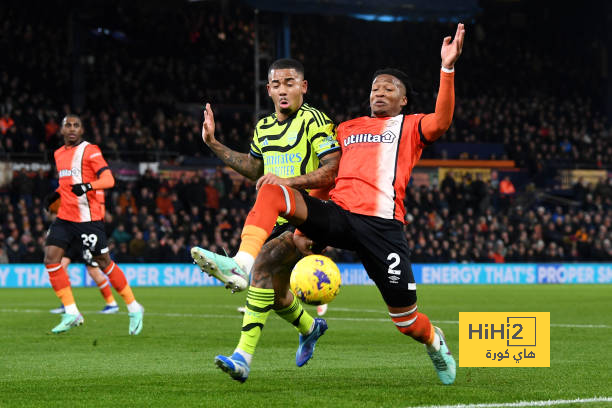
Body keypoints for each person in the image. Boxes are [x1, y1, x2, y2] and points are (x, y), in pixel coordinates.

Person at [195, 23, 465, 385]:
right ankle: (239, 265)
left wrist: (447, 68)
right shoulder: (348, 128)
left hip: (382, 229)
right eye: (375, 87)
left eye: (390, 88)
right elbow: (328, 173)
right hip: (338, 215)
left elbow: (443, 120)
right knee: (271, 191)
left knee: (406, 321)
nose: (380, 92)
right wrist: (307, 222)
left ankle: (435, 342)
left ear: (403, 100)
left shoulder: (411, 126)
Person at [190, 58, 341, 382]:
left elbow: (332, 168)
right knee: (274, 293)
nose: (283, 90)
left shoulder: (315, 120)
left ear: (303, 87)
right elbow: (254, 168)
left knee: (260, 268)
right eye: (276, 84)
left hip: (312, 213)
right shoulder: (264, 127)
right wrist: (213, 144)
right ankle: (311, 328)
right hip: (278, 214)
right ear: (268, 90)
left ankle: (242, 356)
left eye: (290, 83)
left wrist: (290, 182)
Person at [43, 114, 144, 334]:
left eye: (76, 125)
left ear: (81, 130)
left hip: (88, 220)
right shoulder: (58, 154)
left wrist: (88, 186)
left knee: (104, 263)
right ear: (61, 130)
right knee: (51, 259)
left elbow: (109, 180)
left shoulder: (91, 150)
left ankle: (134, 307)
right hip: (64, 218)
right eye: (67, 125)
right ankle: (71, 312)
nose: (72, 129)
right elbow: (66, 184)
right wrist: (55, 196)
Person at [45, 190, 119, 315]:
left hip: (82, 236)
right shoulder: (65, 191)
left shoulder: (88, 190)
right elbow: (53, 214)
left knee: (93, 271)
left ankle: (112, 303)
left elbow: (100, 213)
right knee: (61, 267)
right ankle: (66, 303)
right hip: (70, 238)